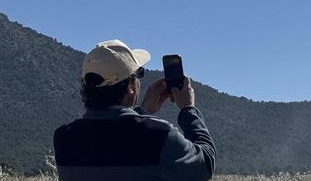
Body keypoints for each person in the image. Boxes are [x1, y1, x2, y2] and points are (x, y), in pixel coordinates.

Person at [54, 39, 216, 181]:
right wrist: (188, 110)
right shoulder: (158, 135)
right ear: (130, 87)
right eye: (139, 74)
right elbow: (205, 165)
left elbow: (110, 140)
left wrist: (143, 111)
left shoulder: (64, 138)